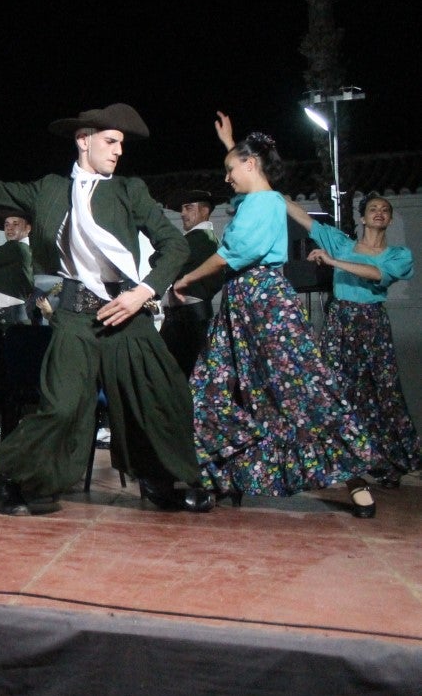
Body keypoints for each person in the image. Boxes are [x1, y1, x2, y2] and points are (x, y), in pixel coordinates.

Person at [0, 104, 211, 516]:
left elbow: (175, 245)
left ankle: (161, 480)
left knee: (162, 392)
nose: (118, 152)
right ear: (83, 140)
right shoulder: (49, 190)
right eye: (110, 142)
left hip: (128, 309)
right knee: (62, 404)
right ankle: (20, 480)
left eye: (122, 144)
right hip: (76, 314)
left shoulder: (130, 191)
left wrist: (143, 292)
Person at [173, 113, 375, 516]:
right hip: (242, 302)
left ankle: (354, 476)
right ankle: (217, 475)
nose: (227, 178)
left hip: (266, 303)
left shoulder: (265, 202)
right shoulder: (256, 201)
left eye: (232, 169)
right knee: (214, 386)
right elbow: (244, 188)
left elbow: (236, 252)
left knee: (301, 387)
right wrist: (230, 142)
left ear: (251, 165)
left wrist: (185, 281)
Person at [286, 192, 420, 489]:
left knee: (383, 391)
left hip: (372, 321)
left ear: (389, 218)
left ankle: (388, 460)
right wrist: (266, 187)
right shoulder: (342, 243)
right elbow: (302, 217)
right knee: (332, 386)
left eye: (385, 209)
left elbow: (376, 274)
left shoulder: (397, 254)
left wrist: (334, 262)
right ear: (362, 217)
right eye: (373, 208)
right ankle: (329, 459)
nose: (379, 212)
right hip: (341, 320)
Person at [160, 189, 225, 376]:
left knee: (178, 373)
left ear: (204, 211)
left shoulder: (199, 239)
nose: (182, 214)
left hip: (187, 320)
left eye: (188, 208)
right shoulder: (208, 240)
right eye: (182, 209)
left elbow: (162, 261)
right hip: (190, 318)